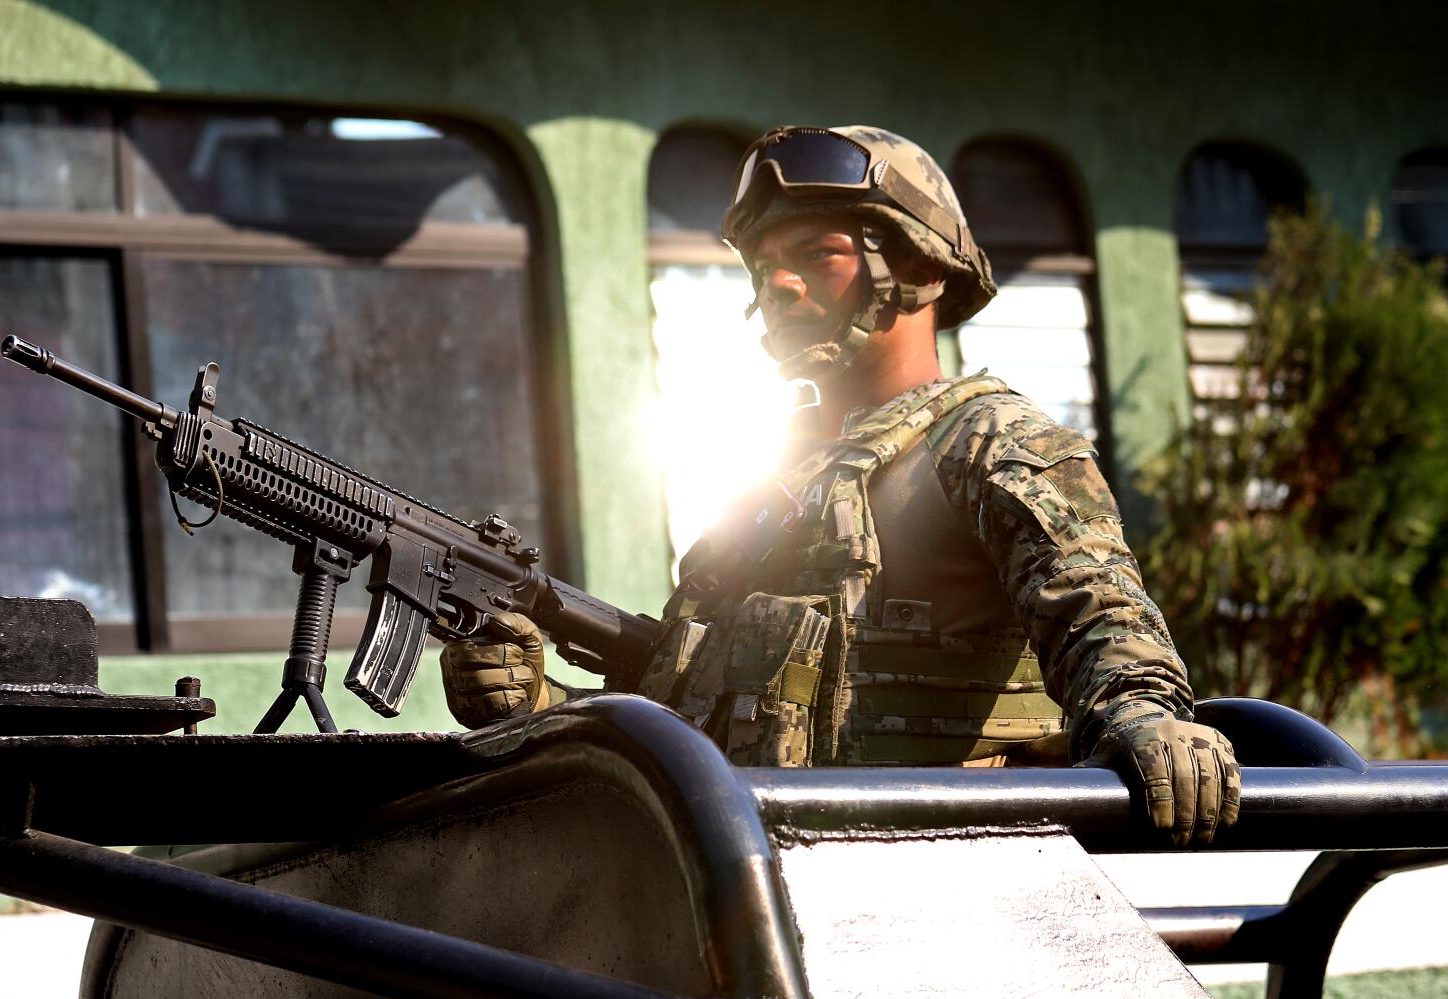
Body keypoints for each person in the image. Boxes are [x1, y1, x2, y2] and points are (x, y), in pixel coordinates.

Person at [444, 125, 1238, 846]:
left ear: (919, 267)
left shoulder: (993, 443)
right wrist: (541, 705)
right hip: (746, 892)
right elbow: (692, 695)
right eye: (764, 268)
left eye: (817, 255)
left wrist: (1142, 714)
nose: (778, 286)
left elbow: (1102, 617)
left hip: (937, 889)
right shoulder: (773, 477)